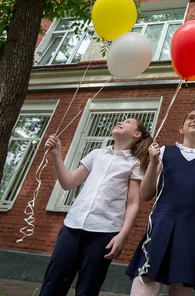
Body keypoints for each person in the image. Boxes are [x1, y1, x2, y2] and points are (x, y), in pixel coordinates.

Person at [40, 118, 151, 296]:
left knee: (88, 289)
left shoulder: (135, 163)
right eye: (121, 120)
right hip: (72, 227)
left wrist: (122, 235)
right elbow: (69, 183)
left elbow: (133, 203)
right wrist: (56, 155)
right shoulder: (96, 154)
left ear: (136, 134)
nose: (121, 122)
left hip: (104, 232)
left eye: (128, 122)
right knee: (53, 283)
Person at [127, 110, 195, 295]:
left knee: (181, 287)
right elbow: (146, 193)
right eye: (190, 117)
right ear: (181, 128)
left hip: (194, 232)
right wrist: (153, 162)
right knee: (145, 282)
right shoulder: (164, 152)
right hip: (161, 227)